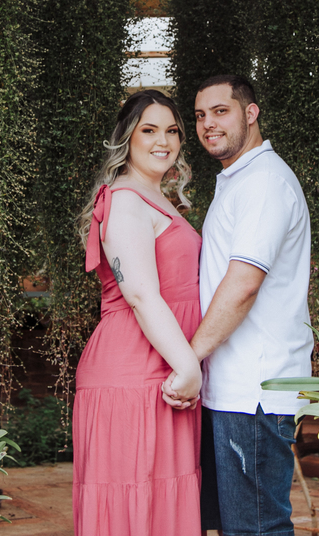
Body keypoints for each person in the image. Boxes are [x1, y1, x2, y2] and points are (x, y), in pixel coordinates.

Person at [164, 74, 313, 536]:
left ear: (251, 113)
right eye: (200, 116)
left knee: (256, 529)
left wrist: (188, 357)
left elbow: (244, 285)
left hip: (255, 390)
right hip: (234, 388)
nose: (208, 123)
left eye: (220, 111)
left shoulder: (263, 182)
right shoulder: (240, 179)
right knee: (240, 527)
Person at [72, 88, 205, 536]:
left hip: (163, 367)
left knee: (161, 505)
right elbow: (142, 296)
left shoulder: (156, 197)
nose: (162, 141)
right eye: (149, 130)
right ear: (127, 138)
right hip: (134, 371)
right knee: (135, 506)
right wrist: (188, 367)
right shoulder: (126, 199)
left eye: (172, 131)